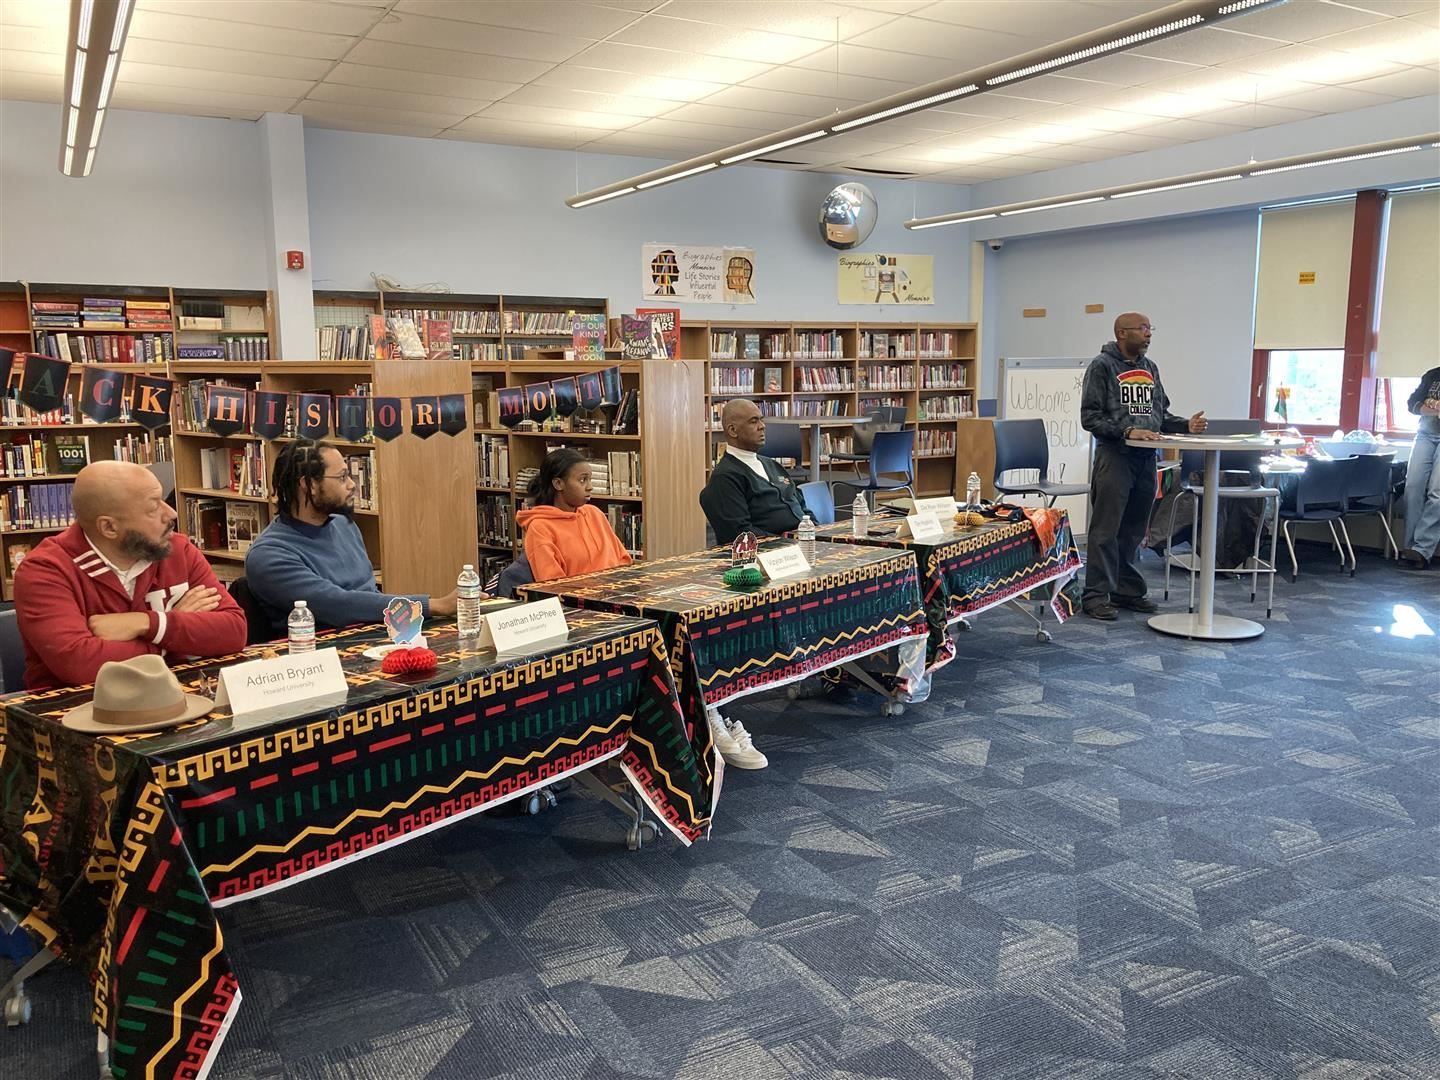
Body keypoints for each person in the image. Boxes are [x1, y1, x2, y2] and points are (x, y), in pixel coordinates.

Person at [13, 460, 247, 690]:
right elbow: (80, 664)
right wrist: (172, 636)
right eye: (153, 507)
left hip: (175, 698)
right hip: (79, 712)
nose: (172, 513)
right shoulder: (45, 571)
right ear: (109, 528)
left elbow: (234, 631)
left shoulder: (177, 549)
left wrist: (146, 623)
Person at [245, 440, 460, 639]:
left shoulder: (344, 525)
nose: (352, 485)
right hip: (324, 657)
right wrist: (433, 605)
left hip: (376, 638)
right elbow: (337, 605)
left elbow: (369, 595)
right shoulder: (269, 554)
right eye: (341, 477)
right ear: (308, 484)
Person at [1080, 312, 1207, 620]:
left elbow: (1159, 415)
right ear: (1122, 333)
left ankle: (1127, 590)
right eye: (1143, 328)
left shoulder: (1149, 368)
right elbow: (1090, 417)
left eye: (1151, 328)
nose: (1149, 334)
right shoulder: (1102, 366)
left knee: (1135, 529)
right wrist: (1126, 432)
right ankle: (1096, 595)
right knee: (1105, 530)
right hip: (1115, 457)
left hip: (1146, 459)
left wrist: (1185, 425)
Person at [700, 398, 806, 546]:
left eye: (761, 420)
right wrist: (788, 543)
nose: (762, 426)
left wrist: (816, 532)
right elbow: (740, 534)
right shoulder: (725, 477)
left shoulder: (773, 466)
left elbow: (802, 506)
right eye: (753, 421)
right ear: (733, 430)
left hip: (802, 544)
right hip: (771, 554)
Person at [515, 448, 633, 580]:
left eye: (590, 479)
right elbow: (552, 585)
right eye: (582, 480)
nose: (590, 487)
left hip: (615, 592)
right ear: (558, 484)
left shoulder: (594, 513)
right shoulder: (540, 528)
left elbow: (623, 560)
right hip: (579, 598)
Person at [1400, 366, 1440, 569]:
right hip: (1426, 433)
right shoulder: (1433, 374)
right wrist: (1435, 408)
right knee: (1413, 487)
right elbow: (1413, 404)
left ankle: (1422, 549)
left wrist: (1430, 404)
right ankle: (1409, 547)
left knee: (1437, 492)